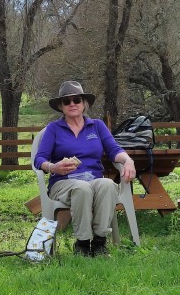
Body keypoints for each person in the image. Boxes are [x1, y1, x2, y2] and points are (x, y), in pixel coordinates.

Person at [33, 81, 137, 256]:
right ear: (61, 106)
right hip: (64, 182)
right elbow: (39, 158)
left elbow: (114, 150)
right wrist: (53, 167)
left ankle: (99, 243)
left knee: (108, 185)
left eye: (77, 100)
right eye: (67, 101)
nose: (72, 104)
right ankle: (82, 244)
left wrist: (128, 161)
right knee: (82, 188)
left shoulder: (97, 126)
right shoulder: (54, 129)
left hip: (93, 178)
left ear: (84, 103)